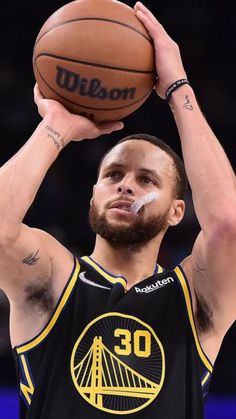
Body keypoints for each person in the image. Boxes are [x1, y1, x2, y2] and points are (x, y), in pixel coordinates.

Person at [0, 2, 235, 418]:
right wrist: (55, 127)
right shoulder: (52, 278)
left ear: (178, 211)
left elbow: (229, 226)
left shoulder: (196, 296)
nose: (126, 183)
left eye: (147, 179)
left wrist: (179, 87)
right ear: (92, 196)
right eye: (113, 175)